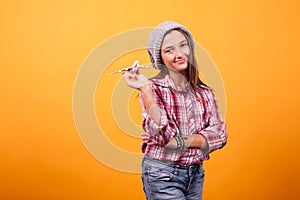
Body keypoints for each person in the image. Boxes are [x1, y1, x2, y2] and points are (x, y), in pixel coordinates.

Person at [122, 21, 227, 200]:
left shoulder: (205, 93)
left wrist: (177, 141)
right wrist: (145, 90)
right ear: (159, 57)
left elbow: (220, 136)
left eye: (183, 45)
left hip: (195, 174)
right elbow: (164, 137)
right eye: (169, 50)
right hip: (161, 174)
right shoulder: (152, 89)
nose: (178, 54)